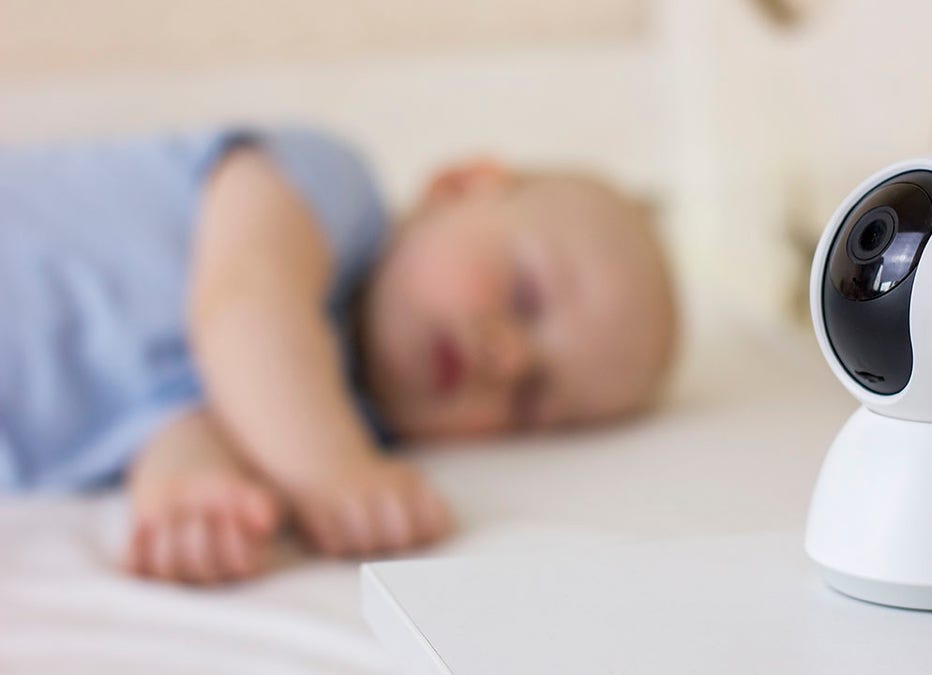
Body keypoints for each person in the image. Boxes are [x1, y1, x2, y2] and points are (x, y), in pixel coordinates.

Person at [0, 128, 677, 584]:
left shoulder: (333, 413)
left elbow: (190, 411)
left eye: (530, 399)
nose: (508, 359)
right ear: (461, 184)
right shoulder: (327, 185)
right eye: (526, 296)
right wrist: (335, 471)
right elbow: (245, 307)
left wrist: (196, 494)